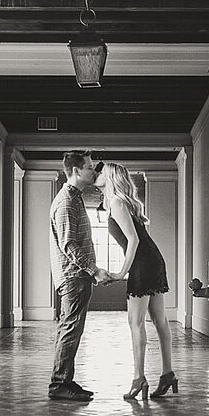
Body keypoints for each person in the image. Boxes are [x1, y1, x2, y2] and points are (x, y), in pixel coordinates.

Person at [94, 161, 177, 400]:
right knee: (159, 320)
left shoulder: (118, 203)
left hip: (144, 263)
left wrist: (121, 273)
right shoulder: (118, 203)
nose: (97, 175)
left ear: (110, 177)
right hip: (153, 260)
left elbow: (133, 240)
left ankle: (139, 378)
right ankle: (167, 374)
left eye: (101, 172)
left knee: (136, 323)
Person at [48, 151, 115, 401]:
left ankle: (65, 381)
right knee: (70, 329)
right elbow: (69, 245)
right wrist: (95, 270)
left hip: (78, 277)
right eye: (88, 167)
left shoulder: (74, 198)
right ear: (76, 171)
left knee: (71, 329)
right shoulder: (66, 201)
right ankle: (59, 385)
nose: (92, 172)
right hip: (73, 278)